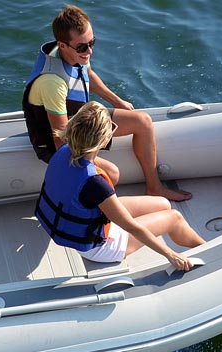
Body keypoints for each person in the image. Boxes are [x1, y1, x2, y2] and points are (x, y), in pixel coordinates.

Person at [22, 4, 192, 202]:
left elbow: (88, 74)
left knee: (143, 121)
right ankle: (103, 212)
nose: (89, 51)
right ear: (62, 45)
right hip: (57, 143)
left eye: (92, 42)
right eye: (83, 47)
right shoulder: (52, 82)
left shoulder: (77, 54)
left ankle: (154, 188)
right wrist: (91, 153)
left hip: (79, 123)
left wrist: (118, 101)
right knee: (111, 174)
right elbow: (61, 140)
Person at [35, 102, 205, 270]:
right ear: (104, 141)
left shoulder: (64, 151)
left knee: (163, 204)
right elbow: (131, 227)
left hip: (80, 228)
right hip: (99, 248)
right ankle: (208, 249)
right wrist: (171, 255)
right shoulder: (95, 184)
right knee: (174, 218)